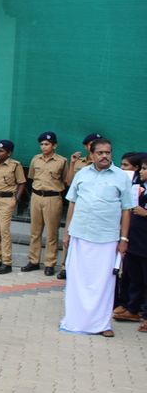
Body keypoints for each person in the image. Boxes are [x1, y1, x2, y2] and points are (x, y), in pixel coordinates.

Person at [60, 138, 133, 337]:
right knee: (78, 280)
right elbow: (72, 203)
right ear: (91, 155)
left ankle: (102, 325)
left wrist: (124, 239)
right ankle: (75, 320)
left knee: (104, 283)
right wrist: (67, 232)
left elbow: (127, 210)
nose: (104, 156)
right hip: (80, 234)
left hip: (107, 238)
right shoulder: (82, 174)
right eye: (100, 153)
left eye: (108, 152)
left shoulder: (121, 177)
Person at [21, 132, 68, 276]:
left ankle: (49, 263)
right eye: (41, 144)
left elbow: (66, 179)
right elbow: (31, 177)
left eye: (47, 144)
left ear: (54, 145)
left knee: (52, 233)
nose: (43, 147)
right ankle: (33, 260)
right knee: (35, 231)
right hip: (36, 196)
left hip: (52, 198)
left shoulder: (62, 161)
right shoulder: (36, 159)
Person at [0, 140, 26, 274]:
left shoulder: (15, 165)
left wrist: (16, 199)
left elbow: (22, 183)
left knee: (4, 231)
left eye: (1, 151)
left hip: (7, 199)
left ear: (9, 153)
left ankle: (7, 262)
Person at [120, 160, 147, 331]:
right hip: (135, 240)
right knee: (135, 278)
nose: (141, 172)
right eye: (142, 168)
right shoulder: (138, 187)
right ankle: (132, 309)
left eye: (145, 169)